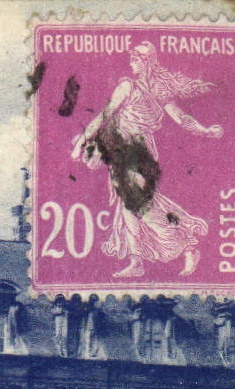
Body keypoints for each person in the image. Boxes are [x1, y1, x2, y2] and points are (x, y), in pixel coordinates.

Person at [70, 41, 223, 278]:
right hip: (122, 152)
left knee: (139, 205)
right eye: (131, 58)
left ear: (148, 62)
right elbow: (105, 116)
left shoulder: (142, 89)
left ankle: (187, 242)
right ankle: (137, 261)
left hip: (137, 153)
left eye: (136, 58)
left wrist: (205, 131)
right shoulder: (132, 87)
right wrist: (83, 139)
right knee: (129, 205)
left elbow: (180, 118)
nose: (131, 62)